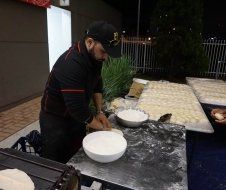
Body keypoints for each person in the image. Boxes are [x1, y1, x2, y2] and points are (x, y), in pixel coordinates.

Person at [39, 21, 121, 163]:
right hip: (56, 120)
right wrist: (101, 128)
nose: (105, 57)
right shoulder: (70, 63)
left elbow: (97, 84)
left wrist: (100, 112)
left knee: (76, 159)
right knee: (55, 167)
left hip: (76, 117)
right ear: (90, 42)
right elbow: (76, 107)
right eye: (103, 51)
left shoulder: (95, 58)